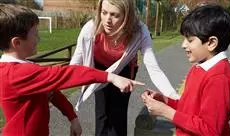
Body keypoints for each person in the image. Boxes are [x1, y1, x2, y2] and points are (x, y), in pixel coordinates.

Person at [0, 4, 144, 136]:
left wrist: (72, 117)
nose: (38, 38)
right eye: (34, 34)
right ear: (17, 43)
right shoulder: (14, 74)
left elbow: (52, 93)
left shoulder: (25, 67)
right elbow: (65, 74)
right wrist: (111, 77)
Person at [70, 0, 180, 135]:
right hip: (100, 69)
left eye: (115, 15)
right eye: (104, 13)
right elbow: (74, 64)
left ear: (127, 16)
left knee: (118, 112)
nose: (107, 20)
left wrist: (175, 98)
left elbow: (154, 69)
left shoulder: (140, 32)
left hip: (124, 69)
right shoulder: (90, 28)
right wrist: (55, 88)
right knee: (102, 112)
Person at [141, 4, 230, 136]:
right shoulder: (200, 68)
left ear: (211, 43)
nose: (183, 45)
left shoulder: (219, 78)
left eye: (190, 40)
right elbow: (189, 109)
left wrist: (166, 111)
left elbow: (210, 130)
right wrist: (165, 101)